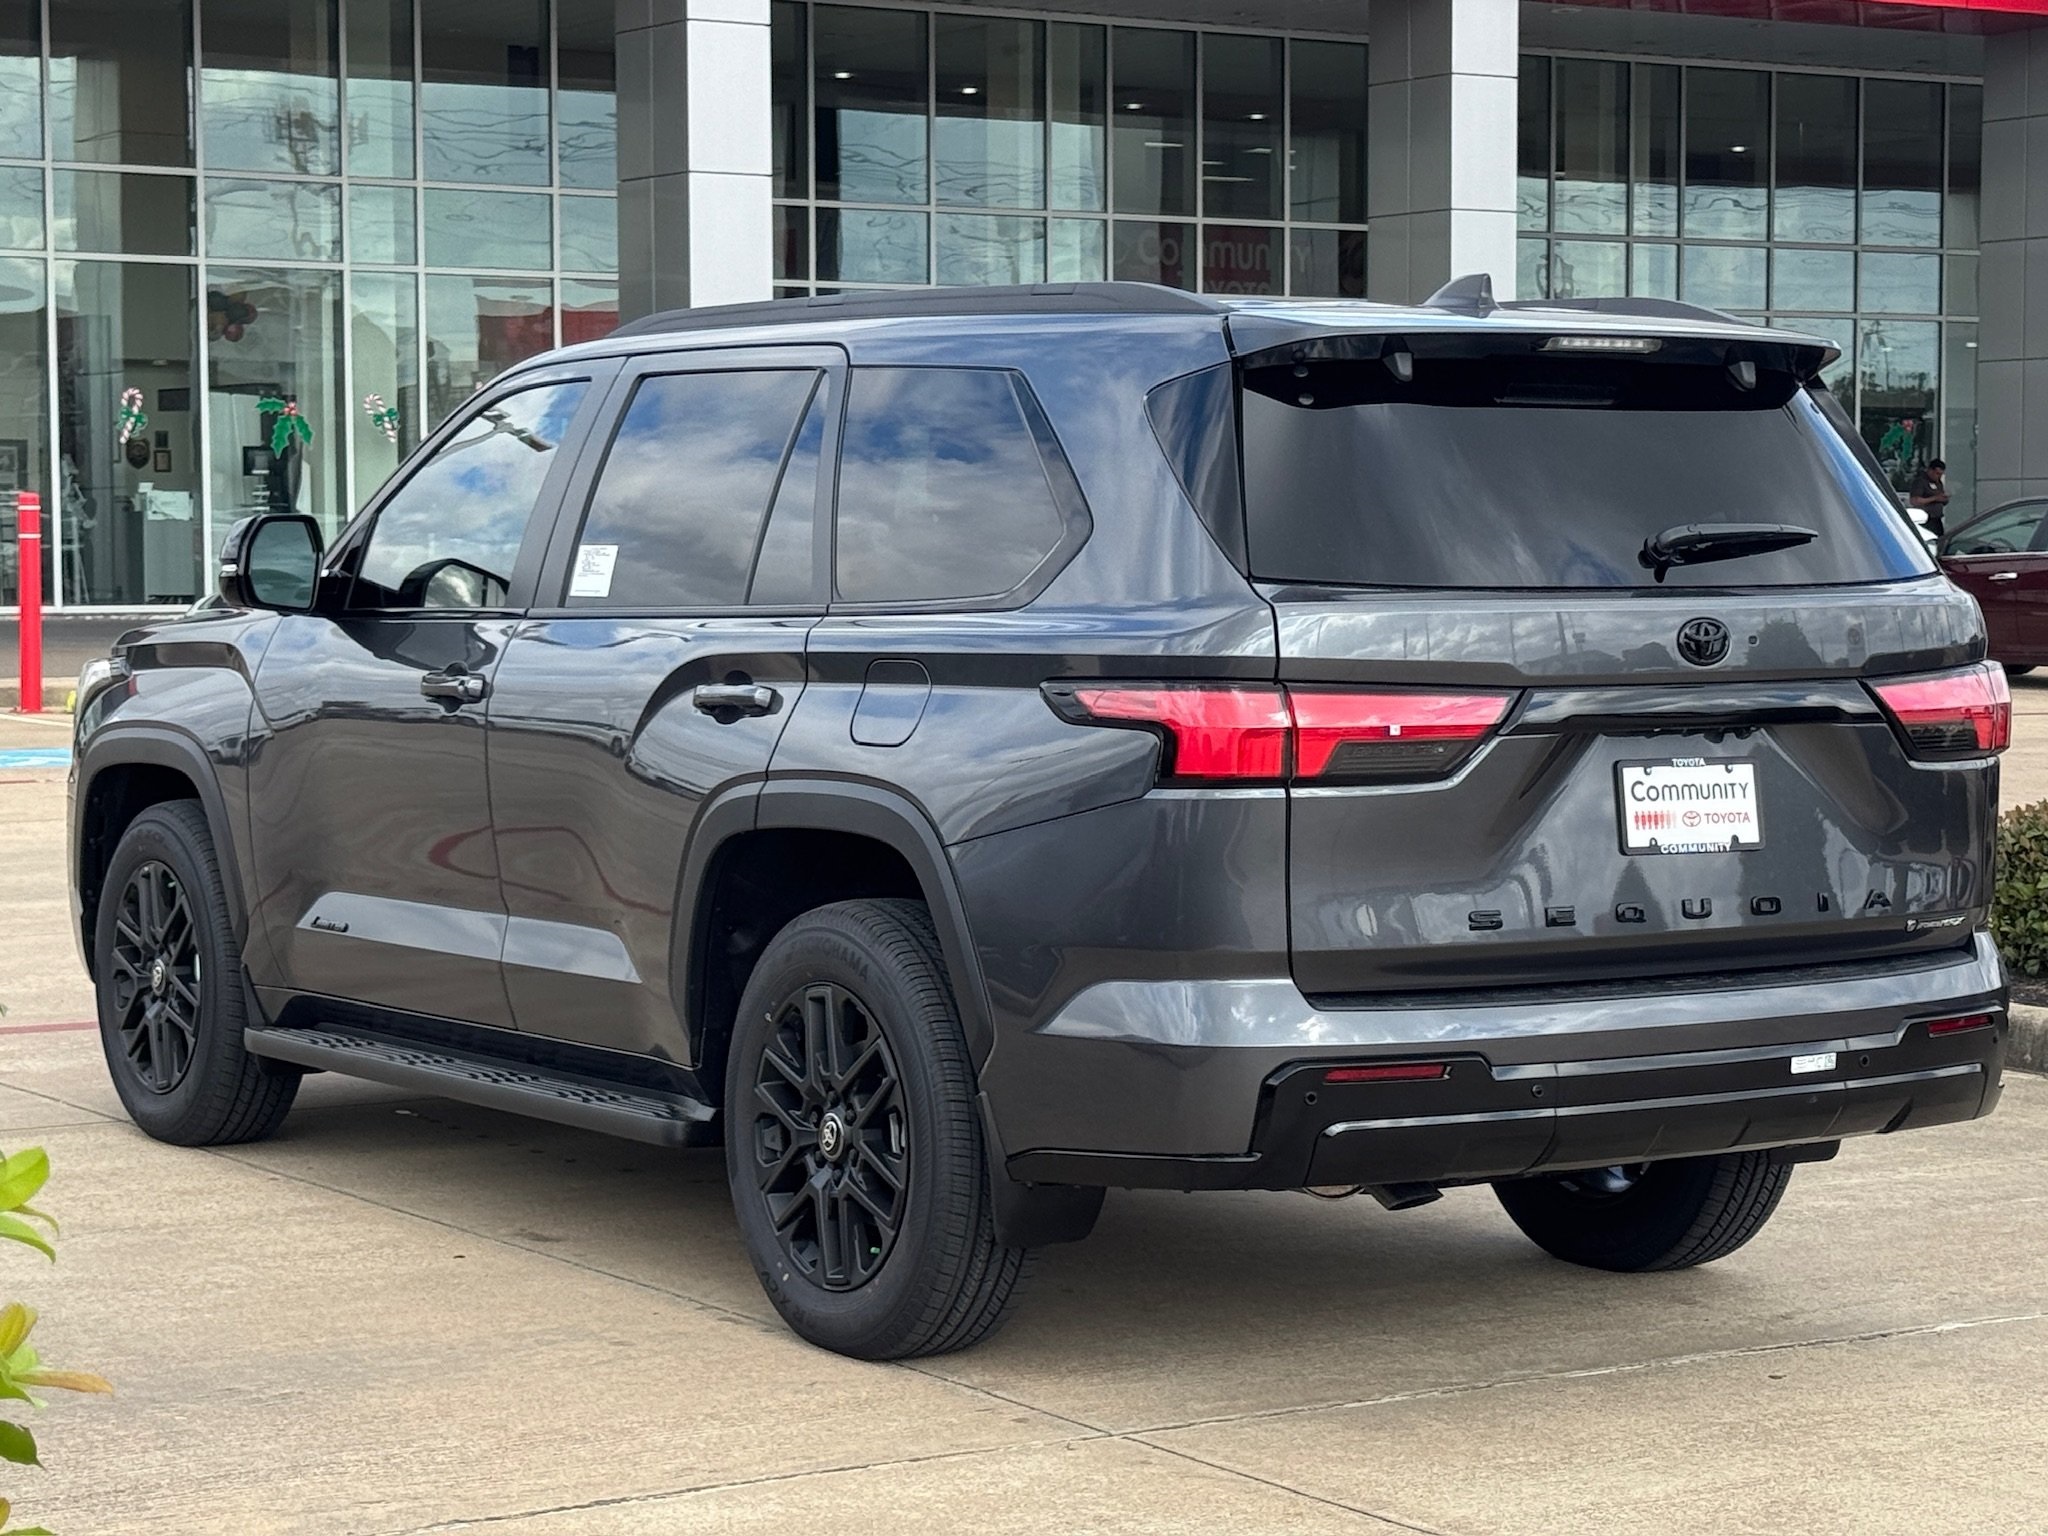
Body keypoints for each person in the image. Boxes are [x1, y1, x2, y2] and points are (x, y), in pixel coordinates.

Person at [1909, 458, 1951, 539]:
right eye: (1937, 473)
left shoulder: (1938, 483)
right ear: (1930, 470)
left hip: (1937, 519)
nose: (1939, 476)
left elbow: (1939, 497)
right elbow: (1915, 501)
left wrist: (1944, 499)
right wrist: (1935, 498)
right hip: (1926, 520)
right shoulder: (1920, 482)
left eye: (1941, 474)